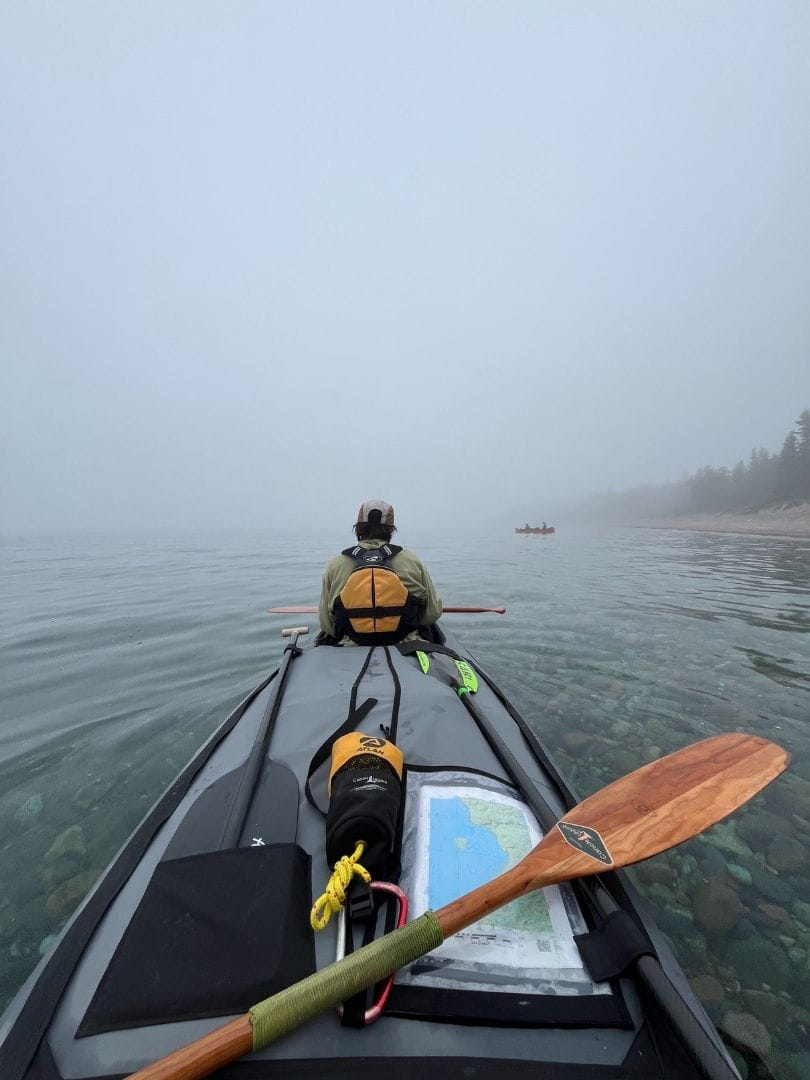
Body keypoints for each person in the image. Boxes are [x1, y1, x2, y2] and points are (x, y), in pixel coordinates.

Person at [319, 499, 442, 644]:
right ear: (391, 529)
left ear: (358, 528)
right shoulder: (411, 559)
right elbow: (432, 613)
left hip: (351, 648)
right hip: (406, 643)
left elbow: (327, 623)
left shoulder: (335, 564)